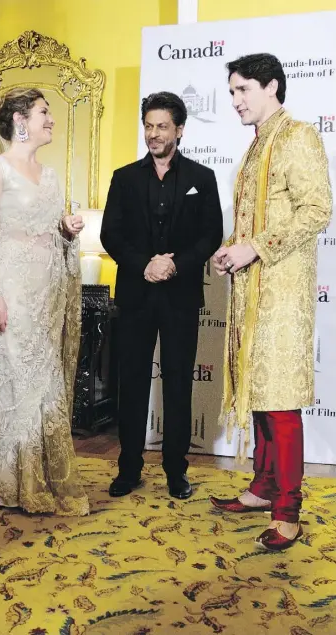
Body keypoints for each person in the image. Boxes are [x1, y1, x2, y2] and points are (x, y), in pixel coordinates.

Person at [210, 54, 332, 551]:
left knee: (279, 401)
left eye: (243, 91)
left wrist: (255, 248)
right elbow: (254, 221)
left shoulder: (298, 135)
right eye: (233, 92)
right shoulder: (257, 146)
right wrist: (231, 249)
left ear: (272, 87)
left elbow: (318, 208)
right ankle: (263, 488)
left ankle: (289, 511)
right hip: (251, 291)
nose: (235, 101)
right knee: (260, 394)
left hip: (282, 292)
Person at [101, 92, 223, 500]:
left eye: (162, 127)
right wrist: (145, 264)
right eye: (149, 126)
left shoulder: (201, 179)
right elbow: (110, 235)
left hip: (180, 296)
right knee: (132, 382)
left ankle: (176, 471)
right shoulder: (124, 177)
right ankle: (128, 468)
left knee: (177, 384)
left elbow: (210, 234)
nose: (153, 134)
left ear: (180, 130)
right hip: (136, 295)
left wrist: (175, 264)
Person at [0, 88, 89, 516]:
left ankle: (46, 477)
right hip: (12, 293)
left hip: (48, 294)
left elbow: (47, 231)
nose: (51, 119)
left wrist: (66, 230)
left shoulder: (52, 174)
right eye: (44, 112)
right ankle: (17, 484)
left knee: (45, 386)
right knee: (17, 385)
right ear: (20, 119)